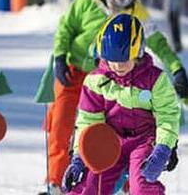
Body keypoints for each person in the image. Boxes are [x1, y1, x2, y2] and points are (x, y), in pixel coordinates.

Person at [45, 0, 188, 194]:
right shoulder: (86, 0)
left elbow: (159, 44)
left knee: (121, 130)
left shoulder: (137, 12)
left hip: (117, 81)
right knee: (62, 124)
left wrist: (176, 67)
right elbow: (66, 27)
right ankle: (55, 181)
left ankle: (130, 183)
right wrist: (60, 55)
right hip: (79, 71)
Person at [61, 13, 180, 195]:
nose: (117, 66)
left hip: (144, 141)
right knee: (90, 184)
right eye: (111, 60)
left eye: (123, 60)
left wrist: (163, 148)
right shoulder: (96, 81)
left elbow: (167, 116)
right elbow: (88, 122)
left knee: (142, 183)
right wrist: (79, 157)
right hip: (109, 141)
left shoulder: (155, 79)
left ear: (138, 52)